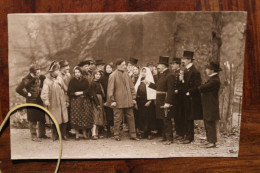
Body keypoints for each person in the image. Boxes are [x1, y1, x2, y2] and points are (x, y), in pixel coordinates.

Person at [144, 56, 175, 145]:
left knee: (167, 119)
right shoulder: (162, 75)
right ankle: (164, 137)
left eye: (160, 65)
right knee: (162, 119)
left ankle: (169, 138)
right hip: (159, 100)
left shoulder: (170, 75)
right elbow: (158, 87)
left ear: (165, 66)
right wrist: (149, 83)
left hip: (165, 100)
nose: (158, 67)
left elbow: (170, 90)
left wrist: (168, 102)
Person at [107, 58, 139, 141]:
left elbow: (132, 87)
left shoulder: (126, 74)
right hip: (118, 101)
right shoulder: (113, 75)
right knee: (117, 119)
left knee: (131, 118)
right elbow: (110, 89)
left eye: (125, 65)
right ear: (118, 66)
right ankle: (116, 135)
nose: (125, 66)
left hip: (128, 101)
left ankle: (133, 135)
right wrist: (112, 100)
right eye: (123, 65)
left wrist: (133, 97)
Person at [16, 64, 46, 142]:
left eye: (39, 71)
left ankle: (42, 134)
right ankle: (34, 136)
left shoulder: (40, 77)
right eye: (37, 72)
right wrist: (26, 94)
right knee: (33, 119)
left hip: (39, 100)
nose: (39, 73)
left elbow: (43, 81)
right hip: (31, 101)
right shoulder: (26, 79)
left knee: (42, 117)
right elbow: (18, 89)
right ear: (33, 72)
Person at [41, 61, 69, 141]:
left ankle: (63, 134)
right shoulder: (47, 81)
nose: (58, 72)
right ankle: (55, 134)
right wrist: (46, 101)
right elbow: (44, 92)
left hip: (62, 101)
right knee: (54, 119)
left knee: (64, 118)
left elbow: (65, 89)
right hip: (53, 103)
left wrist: (67, 100)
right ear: (52, 72)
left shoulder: (60, 79)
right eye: (56, 70)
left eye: (58, 70)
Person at [181, 51, 203, 144]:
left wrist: (189, 92)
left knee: (189, 117)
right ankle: (186, 135)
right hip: (185, 98)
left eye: (184, 59)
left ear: (189, 60)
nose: (183, 61)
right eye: (183, 59)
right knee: (185, 116)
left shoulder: (195, 71)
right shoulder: (186, 70)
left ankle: (190, 137)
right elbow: (185, 84)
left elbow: (197, 85)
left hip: (191, 98)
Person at [198, 61, 222, 148]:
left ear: (212, 70)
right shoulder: (212, 79)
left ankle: (212, 142)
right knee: (207, 122)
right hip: (208, 104)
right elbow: (203, 87)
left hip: (211, 105)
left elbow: (202, 87)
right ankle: (209, 140)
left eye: (207, 69)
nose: (206, 70)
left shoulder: (215, 80)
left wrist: (201, 86)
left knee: (210, 122)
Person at [67, 66, 94, 140]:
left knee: (84, 116)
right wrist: (74, 93)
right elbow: (69, 91)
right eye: (75, 72)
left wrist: (82, 92)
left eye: (78, 72)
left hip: (84, 101)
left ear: (81, 73)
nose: (77, 74)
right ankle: (77, 134)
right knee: (76, 117)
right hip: (75, 102)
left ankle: (84, 134)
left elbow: (88, 90)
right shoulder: (72, 81)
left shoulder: (85, 80)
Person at [134, 67, 157, 139]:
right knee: (141, 117)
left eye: (145, 71)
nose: (143, 73)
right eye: (142, 71)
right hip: (140, 101)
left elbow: (153, 91)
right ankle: (143, 132)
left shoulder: (150, 81)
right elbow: (136, 91)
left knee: (149, 117)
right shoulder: (139, 81)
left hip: (148, 101)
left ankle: (150, 132)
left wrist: (150, 101)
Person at [170, 57, 185, 140]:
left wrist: (177, 90)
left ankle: (181, 133)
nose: (172, 65)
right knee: (175, 115)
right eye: (172, 64)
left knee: (180, 115)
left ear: (178, 65)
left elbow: (183, 85)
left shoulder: (181, 72)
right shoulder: (173, 73)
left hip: (180, 97)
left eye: (173, 64)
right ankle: (178, 132)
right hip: (174, 97)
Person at [90, 70, 107, 140]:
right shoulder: (93, 83)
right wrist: (97, 103)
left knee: (99, 116)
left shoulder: (99, 83)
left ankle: (96, 133)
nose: (98, 75)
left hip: (100, 99)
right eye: (96, 74)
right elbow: (93, 94)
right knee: (95, 116)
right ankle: (93, 133)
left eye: (99, 74)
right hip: (96, 100)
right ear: (94, 75)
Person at [59, 60, 72, 137]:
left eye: (68, 66)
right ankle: (60, 132)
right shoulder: (59, 76)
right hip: (61, 96)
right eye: (66, 66)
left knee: (67, 114)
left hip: (68, 96)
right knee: (61, 114)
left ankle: (66, 131)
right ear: (61, 68)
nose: (68, 68)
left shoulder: (68, 75)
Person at [101, 64, 114, 137]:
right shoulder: (103, 78)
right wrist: (105, 100)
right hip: (106, 98)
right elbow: (102, 89)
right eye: (107, 68)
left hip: (114, 98)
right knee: (108, 114)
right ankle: (108, 130)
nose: (109, 69)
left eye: (110, 68)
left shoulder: (114, 76)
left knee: (114, 114)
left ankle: (114, 130)